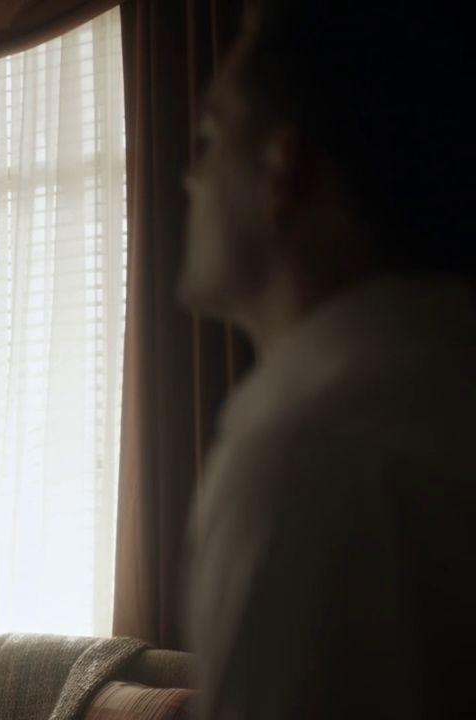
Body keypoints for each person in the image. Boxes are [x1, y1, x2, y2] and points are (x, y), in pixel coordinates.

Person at [179, 1, 475, 718]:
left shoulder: (306, 459)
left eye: (212, 136)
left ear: (284, 169)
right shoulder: (442, 381)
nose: (190, 177)